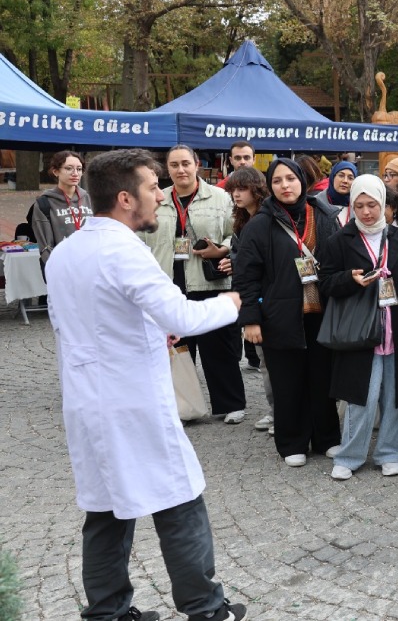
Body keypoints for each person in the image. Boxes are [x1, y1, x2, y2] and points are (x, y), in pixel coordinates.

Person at [46, 148, 248, 621]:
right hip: (132, 399)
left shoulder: (66, 253)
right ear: (123, 198)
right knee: (179, 499)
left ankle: (108, 612)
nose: (160, 196)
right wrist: (233, 303)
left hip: (86, 401)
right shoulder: (123, 250)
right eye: (151, 188)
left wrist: (151, 329)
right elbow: (181, 313)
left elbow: (81, 322)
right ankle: (206, 609)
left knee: (104, 511)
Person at [234, 158, 342, 467]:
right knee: (287, 381)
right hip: (279, 316)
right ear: (270, 186)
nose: (285, 185)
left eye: (291, 179)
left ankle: (326, 437)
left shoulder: (323, 215)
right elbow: (246, 276)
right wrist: (250, 319)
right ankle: (292, 441)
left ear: (301, 181)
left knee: (322, 378)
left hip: (321, 311)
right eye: (278, 180)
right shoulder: (259, 224)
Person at [319, 175, 398, 480]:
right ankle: (350, 456)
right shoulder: (339, 240)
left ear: (384, 205)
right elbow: (324, 283)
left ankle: (390, 452)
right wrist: (349, 279)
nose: (366, 212)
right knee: (361, 396)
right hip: (359, 333)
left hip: (396, 329)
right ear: (352, 206)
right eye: (359, 205)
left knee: (394, 395)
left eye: (372, 205)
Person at [141, 145, 247, 425]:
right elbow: (142, 240)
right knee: (178, 349)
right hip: (169, 285)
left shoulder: (220, 198)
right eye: (174, 165)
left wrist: (222, 251)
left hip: (209, 281)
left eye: (186, 163)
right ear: (167, 168)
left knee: (219, 348)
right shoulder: (157, 199)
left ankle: (231, 403)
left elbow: (236, 235)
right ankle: (184, 406)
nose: (181, 170)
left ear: (197, 164)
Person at [218, 167, 276, 434]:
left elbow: (265, 260)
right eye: (232, 190)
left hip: (271, 298)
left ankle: (281, 412)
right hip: (253, 298)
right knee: (265, 362)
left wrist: (237, 261)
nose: (236, 194)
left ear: (256, 188)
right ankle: (276, 411)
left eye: (241, 189)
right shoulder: (243, 219)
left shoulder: (267, 218)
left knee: (274, 362)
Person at [31, 150, 93, 264]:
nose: (75, 173)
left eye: (79, 169)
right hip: (62, 268)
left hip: (91, 266)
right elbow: (45, 246)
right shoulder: (44, 203)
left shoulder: (90, 199)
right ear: (56, 171)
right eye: (68, 168)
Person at [315, 160, 359, 226]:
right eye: (341, 176)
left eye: (350, 178)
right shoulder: (316, 203)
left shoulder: (358, 205)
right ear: (333, 177)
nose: (345, 181)